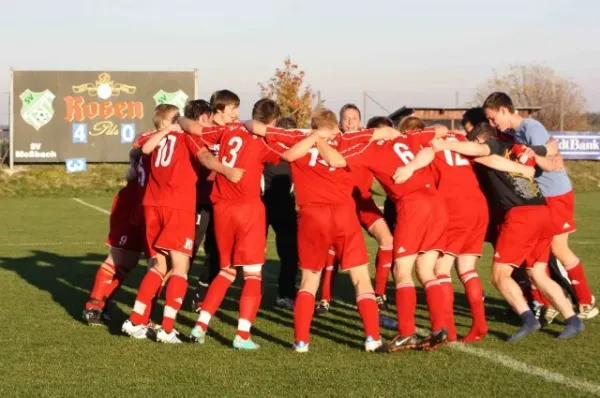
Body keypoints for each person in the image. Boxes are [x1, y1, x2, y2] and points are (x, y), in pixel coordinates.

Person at [245, 108, 384, 353]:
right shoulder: (347, 139)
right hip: (343, 214)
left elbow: (254, 126)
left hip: (311, 216)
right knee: (361, 278)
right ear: (336, 127)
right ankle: (372, 337)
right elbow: (382, 134)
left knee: (309, 281)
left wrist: (310, 136)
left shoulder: (299, 139)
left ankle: (301, 341)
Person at [432, 122, 585, 342]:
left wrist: (442, 143)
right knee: (538, 273)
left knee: (499, 275)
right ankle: (572, 320)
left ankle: (528, 319)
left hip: (521, 217)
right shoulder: (517, 147)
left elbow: (484, 155)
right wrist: (549, 151)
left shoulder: (490, 148)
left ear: (481, 140)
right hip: (542, 210)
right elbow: (549, 152)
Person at [317, 123, 452, 352]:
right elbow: (436, 136)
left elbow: (335, 160)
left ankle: (406, 332)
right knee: (426, 269)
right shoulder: (409, 138)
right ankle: (440, 327)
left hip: (413, 205)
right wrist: (411, 165)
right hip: (437, 203)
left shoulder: (366, 148)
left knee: (402, 270)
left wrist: (317, 139)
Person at [122, 103, 242, 343]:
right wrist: (226, 170)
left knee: (159, 266)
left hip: (152, 205)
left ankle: (135, 321)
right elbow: (206, 158)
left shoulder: (155, 135)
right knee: (181, 268)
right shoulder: (189, 136)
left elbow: (140, 149)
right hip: (177, 206)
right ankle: (167, 329)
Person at [181, 91, 283, 350]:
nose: (237, 114)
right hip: (248, 209)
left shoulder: (225, 132)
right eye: (234, 109)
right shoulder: (261, 140)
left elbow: (194, 130)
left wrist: (179, 119)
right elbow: (283, 155)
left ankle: (200, 325)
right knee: (252, 274)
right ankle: (243, 335)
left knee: (226, 270)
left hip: (222, 209)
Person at [482, 92, 596, 321]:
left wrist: (531, 156)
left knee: (558, 250)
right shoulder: (512, 133)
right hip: (541, 197)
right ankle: (548, 302)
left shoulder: (530, 126)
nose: (494, 124)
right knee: (537, 253)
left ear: (505, 110)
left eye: (494, 119)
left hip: (556, 193)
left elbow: (550, 161)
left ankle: (585, 301)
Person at [81, 107, 172, 325]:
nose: (180, 122)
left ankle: (117, 309)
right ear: (164, 123)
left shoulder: (151, 139)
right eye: (175, 119)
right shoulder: (155, 139)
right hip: (134, 204)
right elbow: (137, 156)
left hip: (147, 203)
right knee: (124, 260)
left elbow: (133, 161)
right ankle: (95, 306)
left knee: (140, 263)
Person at [317, 108, 395, 314]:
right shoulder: (337, 142)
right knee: (333, 250)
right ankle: (324, 299)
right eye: (346, 118)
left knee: (387, 240)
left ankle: (379, 294)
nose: (350, 122)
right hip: (341, 202)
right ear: (340, 122)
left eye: (354, 118)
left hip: (363, 200)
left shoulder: (366, 141)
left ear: (361, 122)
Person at [262, 114, 300, 309]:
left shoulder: (297, 152)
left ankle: (285, 293)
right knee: (254, 254)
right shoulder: (267, 147)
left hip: (284, 205)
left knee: (290, 252)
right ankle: (252, 291)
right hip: (264, 204)